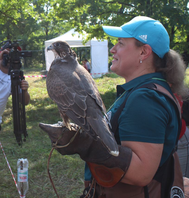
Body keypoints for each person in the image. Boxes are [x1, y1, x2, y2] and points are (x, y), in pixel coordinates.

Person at [41, 16, 187, 197]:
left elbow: (141, 174)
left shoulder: (146, 99)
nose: (112, 49)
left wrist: (86, 144)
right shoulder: (141, 90)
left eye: (121, 43)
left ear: (144, 53)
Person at [0, 51, 31, 198]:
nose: (10, 59)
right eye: (8, 55)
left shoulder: (15, 76)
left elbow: (25, 101)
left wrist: (25, 89)